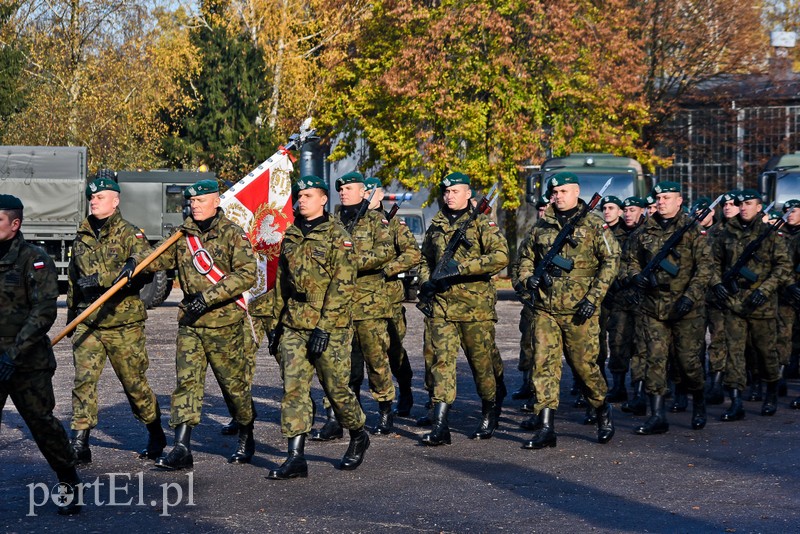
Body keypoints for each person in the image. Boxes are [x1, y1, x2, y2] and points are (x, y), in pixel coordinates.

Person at [117, 179, 257, 469]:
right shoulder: (183, 235)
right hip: (190, 322)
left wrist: (208, 298)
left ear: (216, 202)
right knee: (187, 384)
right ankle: (182, 447)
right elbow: (158, 256)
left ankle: (246, 431)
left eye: (201, 200)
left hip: (223, 322)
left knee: (234, 387)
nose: (194, 205)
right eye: (192, 201)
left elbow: (246, 275)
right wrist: (135, 261)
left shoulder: (232, 233)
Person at [266, 175, 369, 479]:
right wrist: (275, 325)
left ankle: (358, 433)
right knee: (293, 389)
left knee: (337, 389)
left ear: (323, 199)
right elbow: (281, 284)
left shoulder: (338, 235)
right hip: (295, 322)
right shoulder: (292, 235)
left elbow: (343, 285)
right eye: (299, 196)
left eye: (308, 196)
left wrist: (324, 327)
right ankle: (296, 455)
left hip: (330, 326)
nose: (301, 200)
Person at [67, 172, 166, 464]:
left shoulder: (129, 232)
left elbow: (146, 263)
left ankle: (155, 431)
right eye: (91, 198)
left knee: (134, 385)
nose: (93, 202)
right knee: (83, 382)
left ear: (115, 200)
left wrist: (110, 276)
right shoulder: (82, 234)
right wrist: (72, 315)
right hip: (89, 322)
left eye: (99, 197)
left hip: (123, 324)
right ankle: (80, 442)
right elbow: (74, 278)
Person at [517, 172, 619, 449]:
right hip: (545, 308)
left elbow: (611, 261)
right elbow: (525, 259)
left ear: (576, 191)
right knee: (543, 366)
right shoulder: (541, 226)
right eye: (555, 192)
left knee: (585, 367)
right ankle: (547, 426)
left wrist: (593, 298)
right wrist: (530, 279)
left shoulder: (594, 224)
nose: (558, 196)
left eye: (563, 191)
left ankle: (601, 409)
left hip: (579, 310)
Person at [0, 194, 81, 515]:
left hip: (27, 363)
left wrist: (13, 354)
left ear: (15, 224)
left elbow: (44, 310)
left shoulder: (34, 259)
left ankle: (68, 480)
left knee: (42, 424)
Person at [418, 171, 509, 445]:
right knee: (441, 364)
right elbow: (425, 259)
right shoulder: (436, 225)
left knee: (481, 365)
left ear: (468, 194)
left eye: (455, 191)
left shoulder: (482, 223)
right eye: (446, 192)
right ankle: (441, 424)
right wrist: (426, 281)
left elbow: (501, 257)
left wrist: (463, 268)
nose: (449, 196)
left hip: (474, 308)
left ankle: (489, 410)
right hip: (442, 307)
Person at [622, 182, 712, 434]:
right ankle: (657, 415)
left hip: (686, 309)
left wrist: (690, 297)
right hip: (653, 306)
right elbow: (627, 261)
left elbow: (705, 269)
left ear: (679, 200)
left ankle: (699, 401)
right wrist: (635, 276)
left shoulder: (691, 230)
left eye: (667, 197)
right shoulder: (643, 232)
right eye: (658, 198)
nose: (661, 202)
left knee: (688, 362)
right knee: (654, 361)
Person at [711, 189, 791, 420]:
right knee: (734, 353)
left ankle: (771, 393)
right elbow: (712, 263)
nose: (743, 207)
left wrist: (765, 289)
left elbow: (783, 267)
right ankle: (736, 401)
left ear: (759, 207)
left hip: (762, 305)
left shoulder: (770, 235)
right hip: (733, 303)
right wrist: (717, 284)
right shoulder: (725, 234)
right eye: (740, 204)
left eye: (748, 203)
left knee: (766, 353)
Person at [365, 177, 421, 417]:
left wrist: (387, 269)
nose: (366, 196)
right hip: (358, 301)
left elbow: (412, 254)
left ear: (379, 194)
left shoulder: (393, 224)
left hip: (389, 300)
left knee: (394, 350)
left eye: (370, 191)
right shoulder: (350, 223)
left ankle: (405, 390)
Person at [605, 196, 646, 404]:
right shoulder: (613, 234)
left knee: (640, 345)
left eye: (633, 210)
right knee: (618, 342)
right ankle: (618, 386)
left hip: (642, 298)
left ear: (642, 211)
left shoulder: (648, 233)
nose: (629, 214)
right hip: (620, 298)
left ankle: (639, 390)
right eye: (627, 210)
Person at [704, 191, 740, 405]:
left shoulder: (751, 232)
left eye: (733, 204)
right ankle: (716, 382)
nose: (728, 207)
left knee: (739, 343)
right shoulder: (714, 232)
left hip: (742, 296)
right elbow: (707, 262)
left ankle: (739, 385)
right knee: (717, 339)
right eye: (725, 204)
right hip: (716, 295)